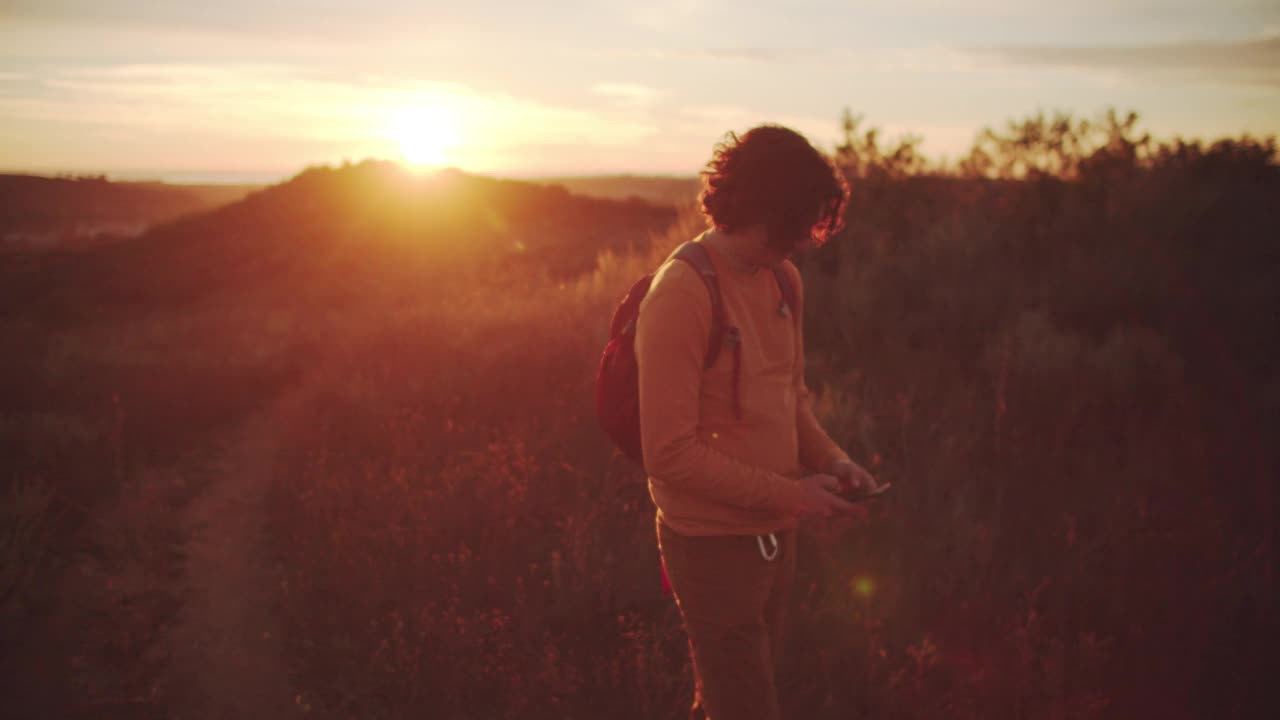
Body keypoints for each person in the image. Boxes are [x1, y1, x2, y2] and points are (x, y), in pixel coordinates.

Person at [635, 124, 879, 720]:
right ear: (759, 206)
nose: (802, 241)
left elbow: (789, 400)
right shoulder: (683, 292)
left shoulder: (781, 279)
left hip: (775, 538)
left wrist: (834, 463)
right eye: (795, 223)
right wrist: (794, 495)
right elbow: (668, 454)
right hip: (710, 546)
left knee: (727, 697)